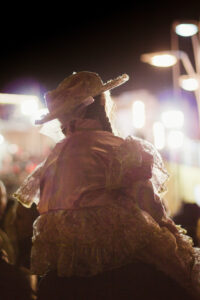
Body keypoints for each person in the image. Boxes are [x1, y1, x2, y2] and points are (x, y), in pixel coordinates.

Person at [14, 71, 200, 299]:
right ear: (101, 105)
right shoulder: (117, 147)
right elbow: (148, 202)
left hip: (68, 254)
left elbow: (45, 208)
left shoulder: (54, 158)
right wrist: (169, 232)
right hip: (118, 245)